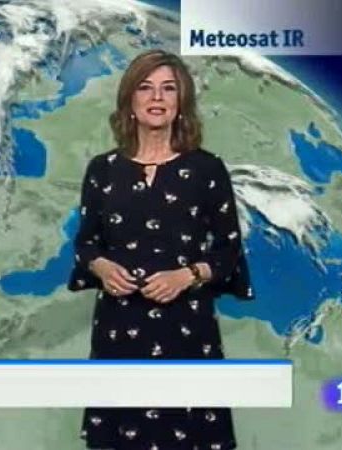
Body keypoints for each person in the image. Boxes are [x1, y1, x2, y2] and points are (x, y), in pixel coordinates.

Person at [67, 49, 256, 450]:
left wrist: (187, 275)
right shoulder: (102, 170)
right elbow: (86, 243)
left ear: (181, 101)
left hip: (187, 330)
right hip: (120, 330)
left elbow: (229, 251)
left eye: (168, 88)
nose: (157, 97)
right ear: (129, 101)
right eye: (145, 88)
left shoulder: (207, 170)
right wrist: (101, 267)